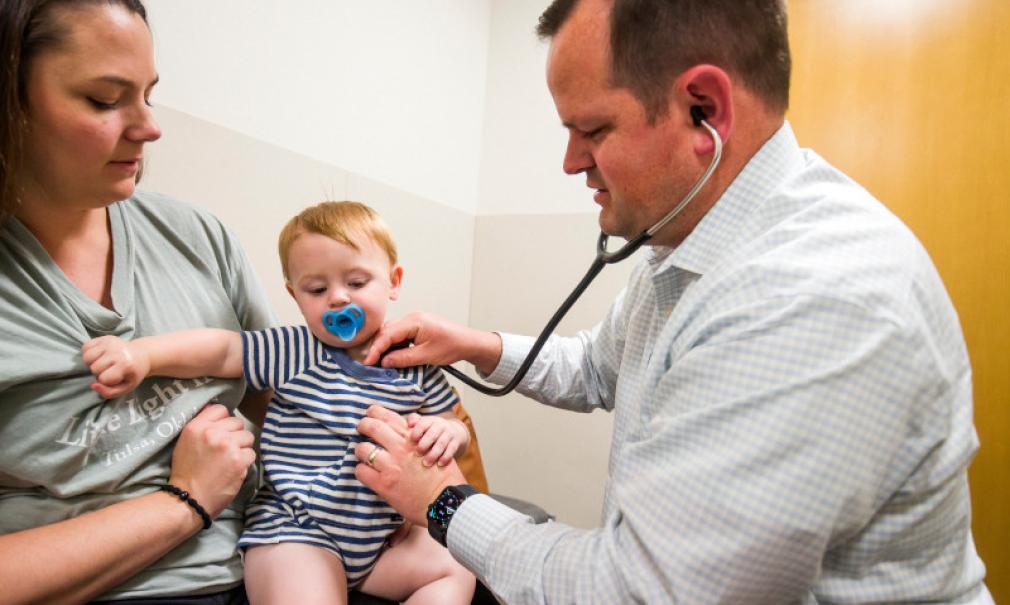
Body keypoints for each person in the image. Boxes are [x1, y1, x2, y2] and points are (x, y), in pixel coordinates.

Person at [353, 0, 995, 603]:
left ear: (703, 109)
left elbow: (641, 591)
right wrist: (471, 343)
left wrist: (441, 500)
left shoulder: (807, 296)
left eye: (592, 129)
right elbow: (596, 368)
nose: (572, 162)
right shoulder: (692, 246)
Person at [0, 0, 277, 603]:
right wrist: (185, 501)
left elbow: (275, 386)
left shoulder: (200, 236)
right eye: (104, 100)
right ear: (10, 103)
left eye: (149, 93)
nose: (149, 127)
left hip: (260, 568)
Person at [82, 201, 477, 605]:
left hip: (380, 543)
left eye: (357, 283)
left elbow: (453, 424)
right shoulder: (292, 350)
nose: (339, 299)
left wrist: (448, 432)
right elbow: (221, 350)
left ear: (393, 281)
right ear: (295, 294)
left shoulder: (416, 364)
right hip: (297, 532)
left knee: (457, 567)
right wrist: (145, 356)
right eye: (317, 289)